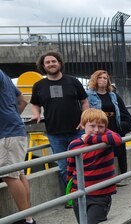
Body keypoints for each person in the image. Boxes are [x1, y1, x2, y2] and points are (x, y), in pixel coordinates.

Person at [29, 51, 88, 189]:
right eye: (47, 62)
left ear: (60, 63)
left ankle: (86, 194)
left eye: (54, 61)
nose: (51, 64)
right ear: (43, 66)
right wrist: (36, 114)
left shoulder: (73, 81)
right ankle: (72, 196)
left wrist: (84, 119)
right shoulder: (39, 85)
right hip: (55, 133)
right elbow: (35, 104)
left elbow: (84, 102)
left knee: (82, 165)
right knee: (64, 168)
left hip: (77, 131)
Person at [66, 108, 122, 224]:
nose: (96, 130)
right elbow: (70, 168)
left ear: (106, 128)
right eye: (92, 126)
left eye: (100, 126)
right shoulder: (74, 144)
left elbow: (117, 139)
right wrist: (70, 188)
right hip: (79, 193)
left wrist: (89, 139)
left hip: (101, 194)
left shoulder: (105, 139)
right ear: (82, 125)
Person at [0, 68, 37, 224]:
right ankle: (25, 217)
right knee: (19, 174)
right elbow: (22, 101)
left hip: (6, 133)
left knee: (9, 175)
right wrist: (12, 116)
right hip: (15, 129)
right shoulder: (4, 75)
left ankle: (28, 221)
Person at [86, 70, 131, 177]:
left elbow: (123, 111)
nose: (102, 80)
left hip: (113, 125)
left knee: (117, 152)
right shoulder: (88, 95)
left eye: (105, 78)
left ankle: (118, 176)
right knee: (101, 152)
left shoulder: (113, 95)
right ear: (95, 79)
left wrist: (123, 126)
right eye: (100, 78)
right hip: (99, 126)